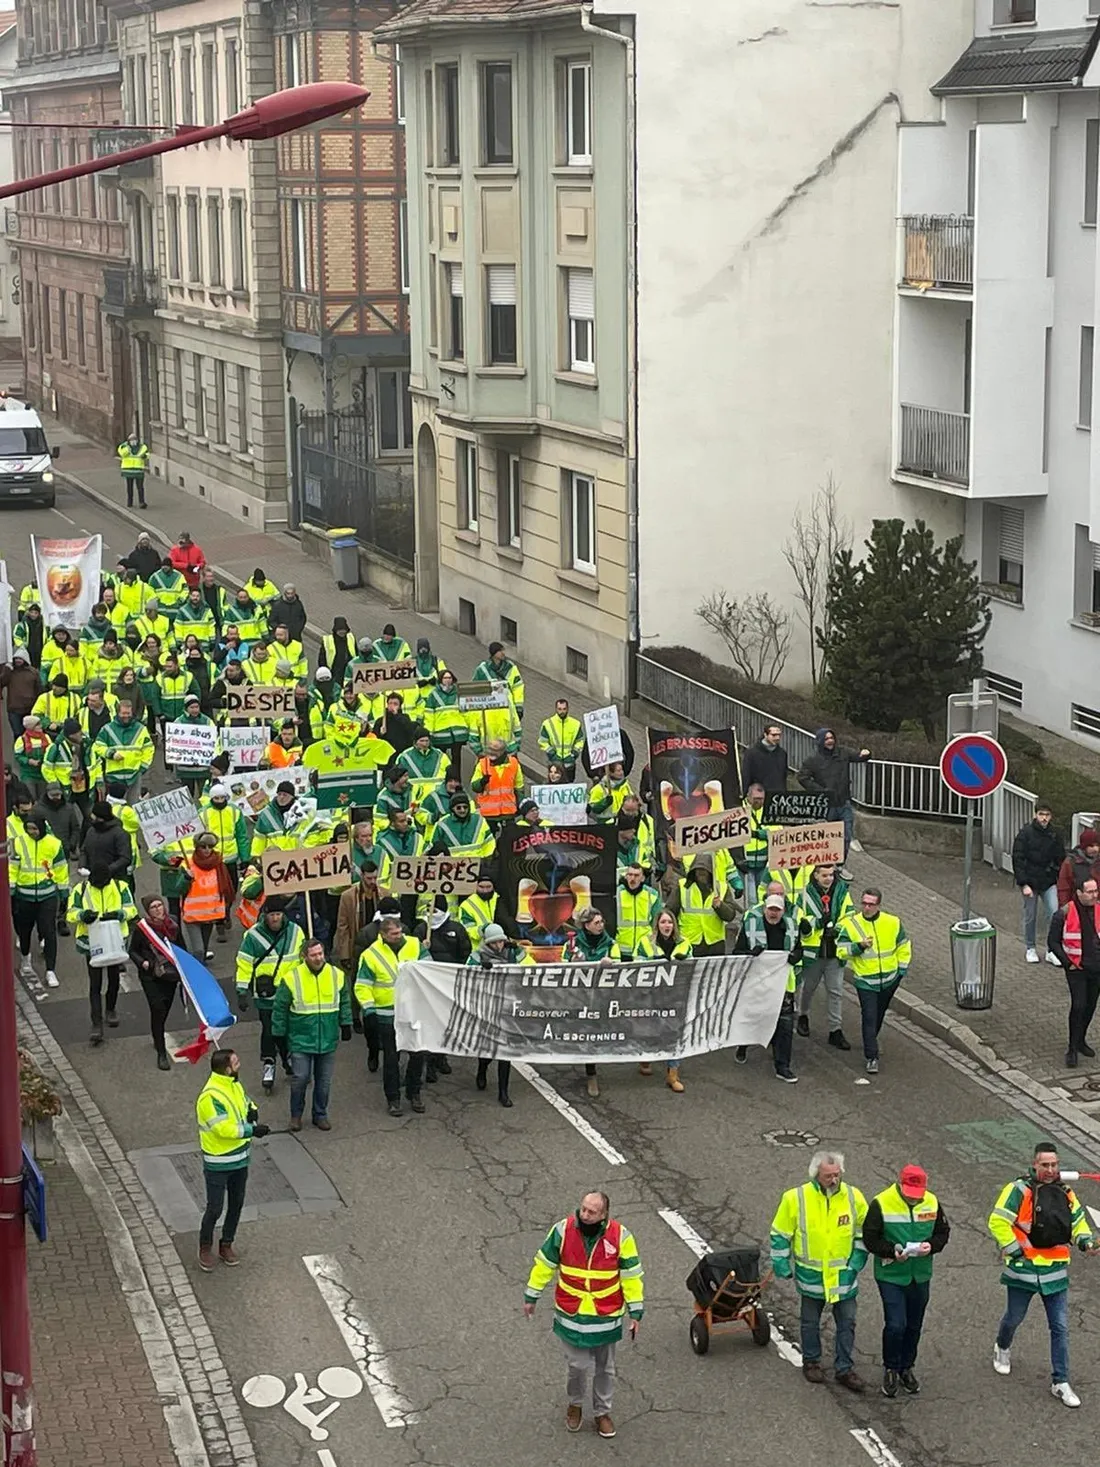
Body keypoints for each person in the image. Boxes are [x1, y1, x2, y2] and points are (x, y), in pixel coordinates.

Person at [524, 1190, 644, 1439]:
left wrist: (636, 1311)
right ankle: (575, 1405)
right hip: (572, 1314)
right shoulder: (562, 1230)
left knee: (605, 1369)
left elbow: (631, 1276)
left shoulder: (621, 1237)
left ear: (604, 1215)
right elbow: (545, 1264)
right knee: (577, 1366)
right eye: (583, 1209)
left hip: (606, 1316)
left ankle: (602, 1413)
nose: (584, 1215)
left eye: (591, 1212)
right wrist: (531, 1295)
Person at [989, 1141, 1097, 1406]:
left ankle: (1060, 1382)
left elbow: (1078, 1223)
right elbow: (998, 1221)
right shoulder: (1017, 1190)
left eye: (1054, 1164)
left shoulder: (1066, 1193)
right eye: (1045, 1165)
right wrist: (1015, 1251)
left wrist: (1086, 1242)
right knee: (1014, 1317)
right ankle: (1002, 1346)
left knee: (1059, 1327)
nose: (1050, 1169)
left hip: (1055, 1271)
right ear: (1034, 1164)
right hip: (1024, 1270)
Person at [770, 1150, 868, 1392]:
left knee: (848, 1322)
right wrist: (781, 1265)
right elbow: (780, 1234)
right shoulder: (795, 1198)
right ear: (816, 1175)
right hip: (811, 1277)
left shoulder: (854, 1197)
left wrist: (856, 1261)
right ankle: (811, 1362)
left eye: (836, 1175)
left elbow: (864, 1232)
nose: (833, 1180)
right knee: (810, 1323)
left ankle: (844, 1368)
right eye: (828, 1176)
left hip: (843, 1277)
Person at [863, 1164, 950, 1398]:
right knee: (896, 1324)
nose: (914, 1201)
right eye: (910, 1196)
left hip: (920, 1274)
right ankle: (891, 1367)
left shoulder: (931, 1202)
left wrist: (931, 1246)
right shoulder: (881, 1203)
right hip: (891, 1275)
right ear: (900, 1185)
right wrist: (892, 1251)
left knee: (914, 1325)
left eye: (917, 1197)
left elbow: (943, 1232)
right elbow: (870, 1238)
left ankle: (906, 1367)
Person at [196, 1048, 270, 1271]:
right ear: (227, 1068)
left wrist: (252, 1110)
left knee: (236, 1204)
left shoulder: (234, 1084)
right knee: (215, 1208)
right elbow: (222, 1128)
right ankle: (205, 1247)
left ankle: (226, 1243)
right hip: (219, 1162)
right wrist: (250, 1130)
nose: (240, 1064)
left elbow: (244, 1102)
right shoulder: (210, 1097)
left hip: (240, 1159)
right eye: (236, 1062)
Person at [272, 937, 352, 1132]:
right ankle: (296, 1115)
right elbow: (280, 1007)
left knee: (323, 1082)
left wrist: (346, 1022)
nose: (318, 958)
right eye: (314, 955)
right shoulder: (292, 978)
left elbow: (344, 1001)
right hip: (301, 1037)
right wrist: (278, 1032)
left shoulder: (336, 975)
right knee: (300, 1078)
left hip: (327, 1037)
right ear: (304, 956)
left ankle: (320, 1114)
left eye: (320, 954)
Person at [355, 915, 429, 1116]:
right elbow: (362, 986)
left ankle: (414, 1093)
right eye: (394, 934)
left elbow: (429, 970)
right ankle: (393, 1099)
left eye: (400, 932)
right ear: (383, 935)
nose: (399, 936)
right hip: (387, 1015)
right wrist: (369, 1009)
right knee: (390, 1059)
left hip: (414, 1011)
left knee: (417, 1054)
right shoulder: (371, 955)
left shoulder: (415, 945)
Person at [836, 888, 911, 1075]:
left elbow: (903, 945)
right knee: (869, 1016)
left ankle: (872, 1041)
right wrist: (858, 947)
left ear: (878, 905)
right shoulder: (851, 924)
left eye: (871, 904)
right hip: (865, 981)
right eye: (864, 903)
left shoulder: (892, 922)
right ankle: (871, 1056)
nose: (867, 907)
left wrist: (901, 970)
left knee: (879, 1014)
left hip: (890, 979)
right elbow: (841, 950)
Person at [733, 891, 803, 1082]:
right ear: (764, 909)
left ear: (782, 912)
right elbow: (737, 953)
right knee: (752, 1018)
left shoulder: (791, 926)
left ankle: (783, 1066)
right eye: (771, 909)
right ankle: (744, 1044)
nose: (774, 913)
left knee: (785, 1025)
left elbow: (799, 948)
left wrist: (796, 956)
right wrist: (750, 953)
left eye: (777, 910)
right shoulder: (751, 925)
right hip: (757, 984)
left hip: (782, 986)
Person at [235, 900, 305, 1092]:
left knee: (287, 1030)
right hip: (265, 994)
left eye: (278, 914)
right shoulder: (253, 936)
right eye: (272, 914)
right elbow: (245, 964)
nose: (275, 918)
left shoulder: (296, 932)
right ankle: (269, 1064)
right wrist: (242, 990)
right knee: (269, 1030)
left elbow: (302, 960)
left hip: (290, 993)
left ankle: (287, 1059)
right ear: (265, 915)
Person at [68, 862, 139, 1045]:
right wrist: (83, 915)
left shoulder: (120, 886)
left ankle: (111, 1009)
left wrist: (118, 914)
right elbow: (70, 913)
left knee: (114, 978)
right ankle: (96, 1023)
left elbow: (131, 909)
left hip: (115, 939)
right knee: (95, 983)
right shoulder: (80, 889)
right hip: (91, 942)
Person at [468, 922, 531, 1105]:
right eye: (494, 943)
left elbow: (530, 968)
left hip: (509, 1005)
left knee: (505, 1051)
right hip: (488, 1006)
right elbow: (465, 976)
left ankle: (503, 1092)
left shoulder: (512, 952)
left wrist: (518, 950)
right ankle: (482, 1068)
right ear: (487, 943)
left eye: (501, 942)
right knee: (488, 1049)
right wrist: (481, 970)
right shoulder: (477, 957)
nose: (498, 946)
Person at [562, 908, 621, 1098]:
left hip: (603, 995)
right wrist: (573, 961)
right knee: (586, 1033)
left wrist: (610, 963)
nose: (601, 925)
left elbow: (619, 965)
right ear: (586, 925)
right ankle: (591, 1074)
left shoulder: (611, 943)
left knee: (597, 1033)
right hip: (580, 995)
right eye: (597, 923)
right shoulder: (572, 943)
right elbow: (562, 966)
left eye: (602, 921)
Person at [797, 728, 871, 873]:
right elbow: (802, 777)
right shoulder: (812, 760)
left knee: (846, 836)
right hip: (826, 806)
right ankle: (825, 866)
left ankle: (839, 865)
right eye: (826, 739)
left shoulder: (842, 753)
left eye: (832, 737)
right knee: (827, 838)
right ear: (820, 742)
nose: (830, 741)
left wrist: (866, 754)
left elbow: (858, 756)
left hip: (843, 802)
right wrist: (820, 791)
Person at [796, 863, 853, 1051]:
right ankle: (803, 1015)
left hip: (834, 950)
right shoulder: (805, 894)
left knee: (835, 991)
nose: (828, 878)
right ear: (815, 875)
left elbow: (849, 916)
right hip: (814, 951)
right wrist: (817, 923)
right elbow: (801, 918)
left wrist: (837, 929)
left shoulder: (842, 892)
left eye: (830, 874)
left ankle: (835, 1030)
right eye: (824, 875)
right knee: (808, 988)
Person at [1047, 874, 1100, 1068]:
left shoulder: (1099, 910)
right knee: (1078, 1005)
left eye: (1096, 891)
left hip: (1096, 968)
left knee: (1090, 1005)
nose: (1094, 895)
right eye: (1090, 892)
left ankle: (1081, 1040)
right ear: (1079, 893)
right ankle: (1072, 1048)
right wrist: (1067, 962)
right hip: (1076, 968)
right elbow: (1052, 941)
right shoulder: (1064, 912)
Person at [10, 812, 65, 992]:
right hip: (23, 896)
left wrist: (63, 890)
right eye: (28, 828)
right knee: (24, 931)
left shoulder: (54, 844)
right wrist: (11, 888)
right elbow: (12, 866)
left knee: (48, 932)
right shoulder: (18, 842)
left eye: (34, 828)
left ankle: (50, 970)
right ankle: (25, 958)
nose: (31, 832)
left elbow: (61, 868)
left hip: (47, 895)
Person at [129, 895, 182, 1070]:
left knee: (165, 1008)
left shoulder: (173, 923)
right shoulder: (142, 929)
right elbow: (133, 951)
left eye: (160, 905)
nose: (158, 909)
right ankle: (161, 1051)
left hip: (170, 975)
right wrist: (143, 963)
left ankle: (157, 1033)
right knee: (157, 1008)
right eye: (153, 907)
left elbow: (181, 947)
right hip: (151, 976)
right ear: (148, 911)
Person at [1011, 803, 1066, 964]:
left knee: (1054, 914)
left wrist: (1055, 875)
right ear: (1035, 815)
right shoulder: (1026, 833)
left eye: (1047, 815)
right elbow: (1018, 858)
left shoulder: (1055, 834)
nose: (1044, 818)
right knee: (1030, 916)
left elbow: (1060, 857)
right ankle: (1030, 947)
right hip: (1030, 881)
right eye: (1041, 814)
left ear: (1051, 816)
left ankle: (1051, 950)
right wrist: (1023, 883)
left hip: (1048, 880)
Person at [181, 833, 234, 961]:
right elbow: (179, 889)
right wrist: (186, 878)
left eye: (210, 846)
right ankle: (196, 978)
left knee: (203, 951)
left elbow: (227, 888)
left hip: (210, 915)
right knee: (198, 951)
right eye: (203, 846)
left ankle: (201, 971)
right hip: (192, 916)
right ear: (196, 847)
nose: (207, 850)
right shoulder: (188, 864)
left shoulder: (219, 864)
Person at [91, 697, 155, 796]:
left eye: (128, 713)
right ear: (117, 713)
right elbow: (97, 747)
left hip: (134, 776)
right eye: (123, 713)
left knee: (133, 806)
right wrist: (111, 754)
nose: (126, 716)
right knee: (116, 808)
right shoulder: (107, 729)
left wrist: (143, 767)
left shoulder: (141, 729)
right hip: (114, 777)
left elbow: (149, 749)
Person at [471, 737, 524, 828]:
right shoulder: (482, 764)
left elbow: (519, 787)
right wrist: (482, 782)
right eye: (490, 750)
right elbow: (474, 787)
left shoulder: (514, 764)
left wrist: (520, 805)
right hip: (488, 813)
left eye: (495, 751)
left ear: (503, 752)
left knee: (508, 839)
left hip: (508, 812)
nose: (492, 754)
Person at [538, 698, 584, 779]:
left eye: (564, 709)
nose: (562, 711)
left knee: (569, 785)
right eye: (559, 709)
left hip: (569, 762)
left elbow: (580, 740)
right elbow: (542, 741)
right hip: (554, 763)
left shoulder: (575, 724)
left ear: (568, 709)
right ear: (556, 709)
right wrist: (551, 752)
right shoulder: (548, 724)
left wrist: (574, 753)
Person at [1057, 826, 1100, 908]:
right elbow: (1064, 887)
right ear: (1084, 847)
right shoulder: (1070, 862)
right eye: (1091, 846)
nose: (1095, 849)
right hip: (1077, 907)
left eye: (1097, 845)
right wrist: (1065, 907)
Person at [741, 723, 790, 795]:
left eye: (779, 735)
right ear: (765, 735)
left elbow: (783, 775)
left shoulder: (782, 753)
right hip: (759, 795)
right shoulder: (752, 753)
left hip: (778, 795)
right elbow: (746, 775)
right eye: (773, 735)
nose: (777, 738)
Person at [1, 653, 41, 738]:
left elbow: (39, 690)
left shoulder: (33, 672)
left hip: (29, 709)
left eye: (20, 658)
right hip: (14, 709)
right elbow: (2, 682)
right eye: (16, 658)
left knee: (30, 734)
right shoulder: (10, 672)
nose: (18, 660)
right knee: (18, 734)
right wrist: (6, 670)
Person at [116, 431, 149, 508]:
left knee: (140, 487)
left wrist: (145, 456)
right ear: (129, 441)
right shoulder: (125, 447)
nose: (133, 441)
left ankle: (141, 502)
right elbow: (122, 453)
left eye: (135, 439)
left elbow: (147, 454)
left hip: (138, 470)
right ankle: (129, 502)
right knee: (129, 487)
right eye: (131, 440)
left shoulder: (142, 447)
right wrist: (128, 447)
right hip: (128, 471)